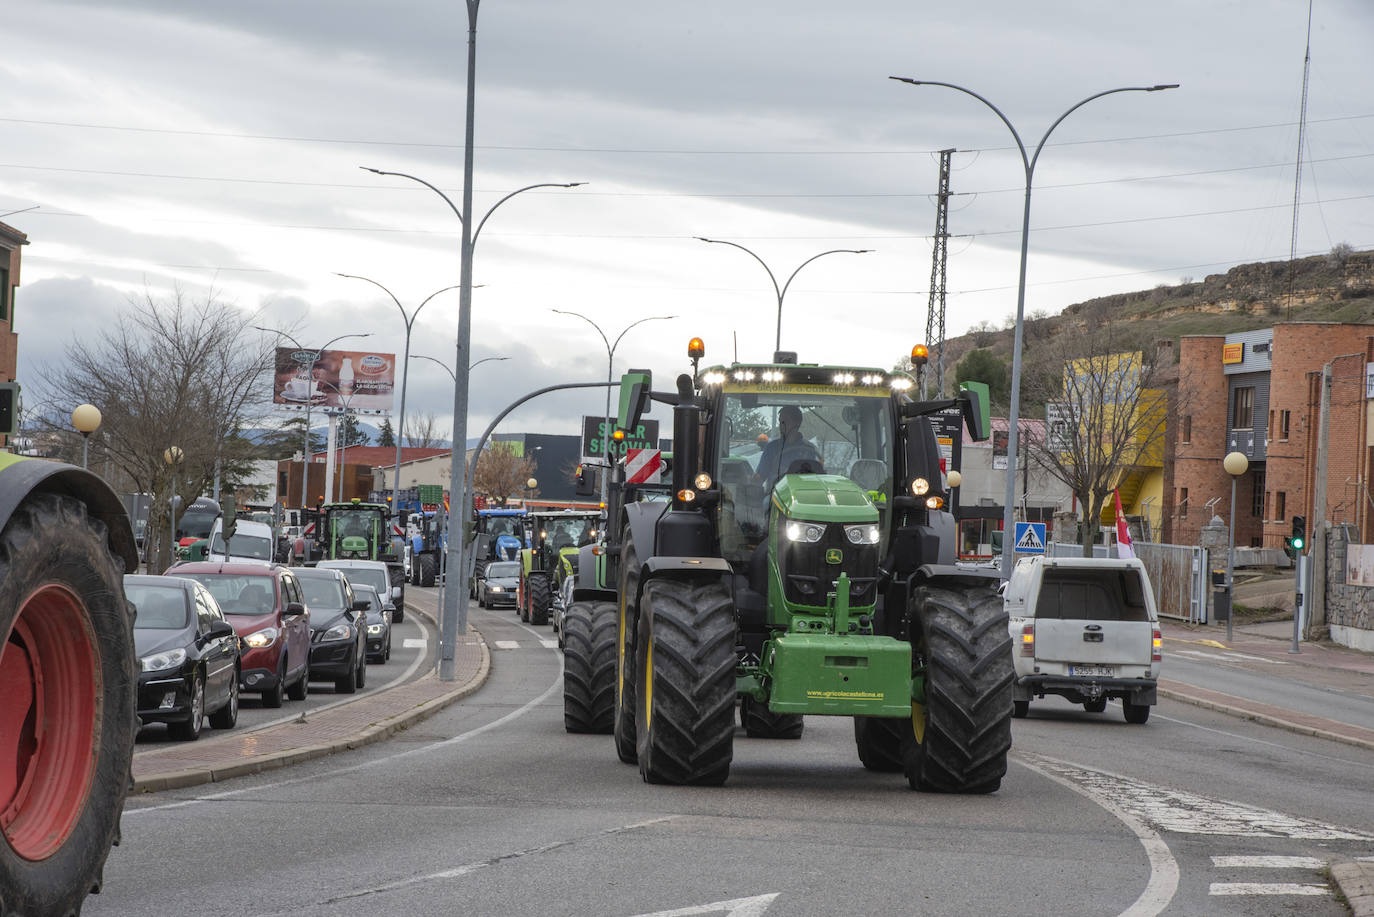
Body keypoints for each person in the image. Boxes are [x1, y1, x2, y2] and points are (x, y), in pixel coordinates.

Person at [756, 405, 821, 489]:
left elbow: (816, 479)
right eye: (780, 422)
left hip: (801, 496)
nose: (781, 425)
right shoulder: (772, 448)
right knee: (765, 502)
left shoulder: (810, 450)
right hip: (774, 496)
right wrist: (749, 482)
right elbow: (760, 476)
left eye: (785, 421)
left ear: (797, 423)